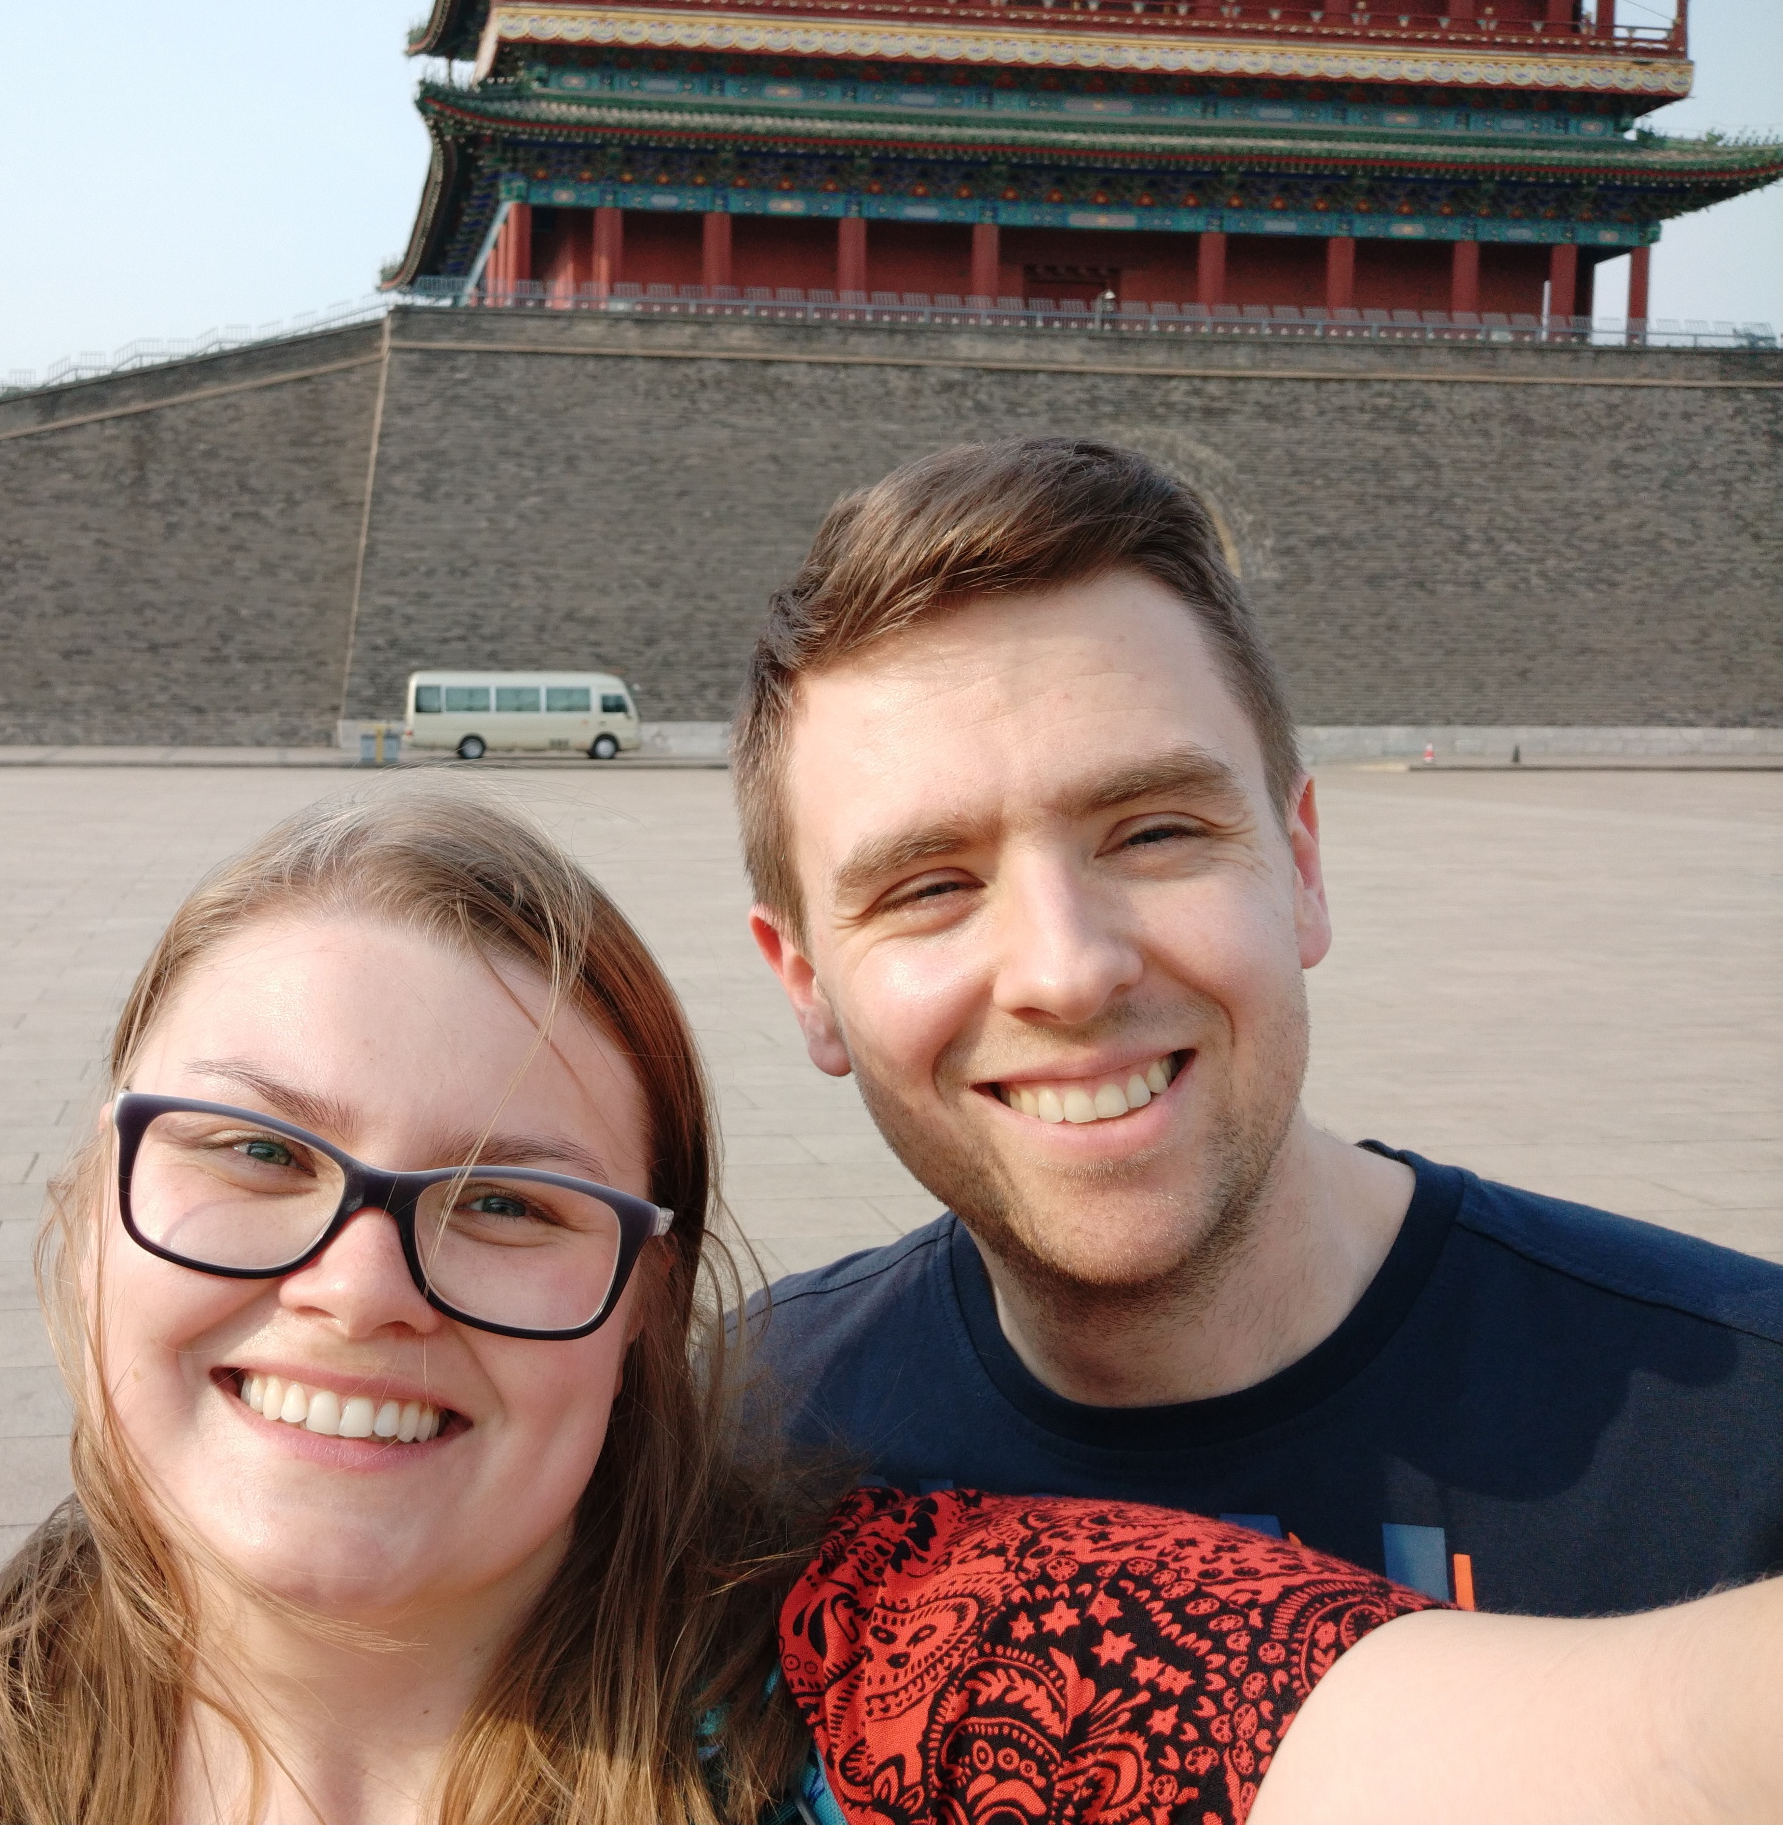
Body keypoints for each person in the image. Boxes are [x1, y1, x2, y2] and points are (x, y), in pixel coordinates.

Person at [0, 790, 1780, 1825]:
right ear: (91, 1210)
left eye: (508, 1202)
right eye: (252, 1152)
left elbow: (1638, 1757)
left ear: (645, 1310)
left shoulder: (906, 1671)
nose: (358, 1284)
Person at [736, 437, 1783, 1617]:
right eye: (929, 886)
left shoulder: (1747, 1441)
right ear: (806, 983)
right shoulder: (736, 1451)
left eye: (1154, 832)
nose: (1067, 972)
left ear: (1301, 869)